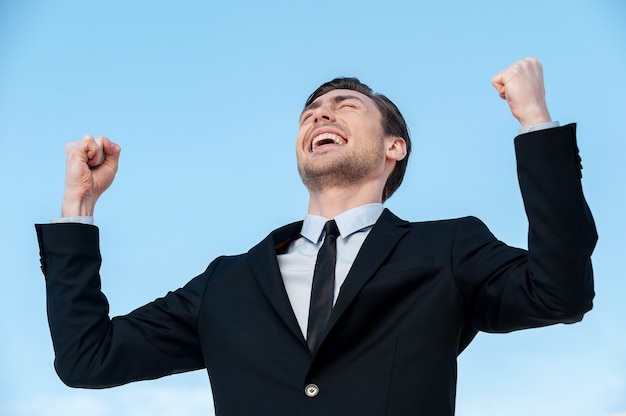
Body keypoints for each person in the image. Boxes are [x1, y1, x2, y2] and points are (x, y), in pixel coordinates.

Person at [36, 57, 597, 415]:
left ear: (392, 148)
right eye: (311, 112)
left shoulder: (447, 250)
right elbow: (88, 358)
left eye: (345, 107)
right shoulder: (226, 283)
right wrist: (78, 207)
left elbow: (559, 292)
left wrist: (536, 124)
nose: (321, 114)